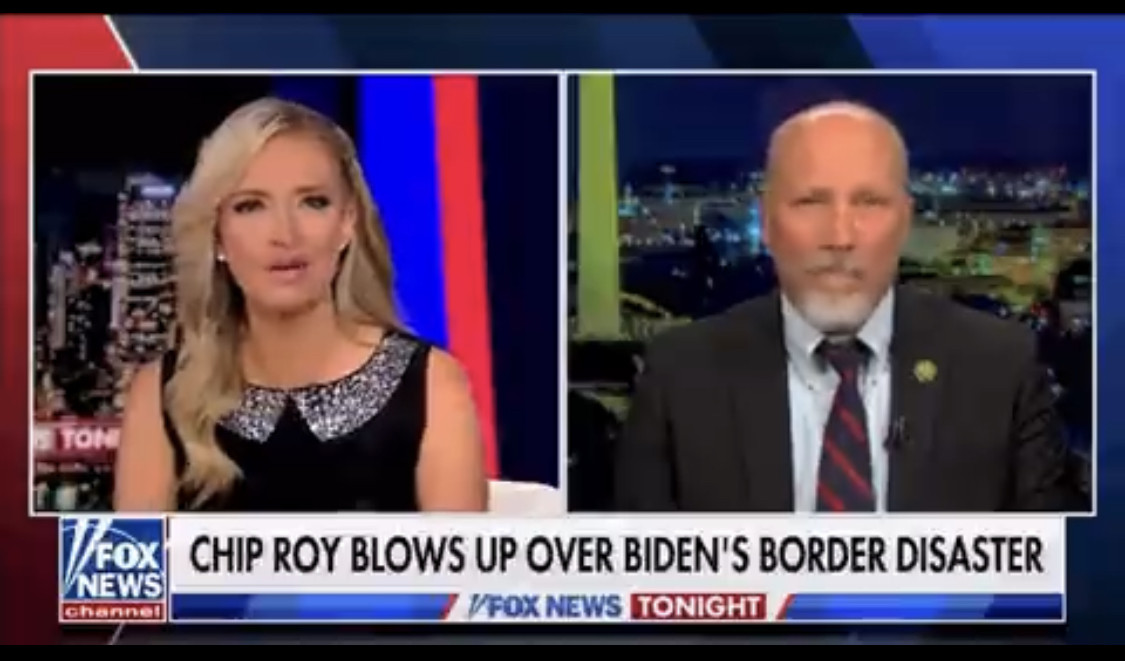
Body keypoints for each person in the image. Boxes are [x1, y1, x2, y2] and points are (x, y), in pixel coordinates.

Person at [615, 101, 1079, 513]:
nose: (839, 237)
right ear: (767, 221)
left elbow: (1053, 571)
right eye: (810, 202)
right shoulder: (681, 376)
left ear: (905, 221)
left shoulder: (1001, 368)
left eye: (869, 202)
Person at [114, 97, 489, 513]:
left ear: (347, 223)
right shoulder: (163, 394)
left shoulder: (434, 385)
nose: (285, 234)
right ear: (217, 235)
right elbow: (130, 556)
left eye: (313, 202)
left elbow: (462, 558)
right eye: (250, 206)